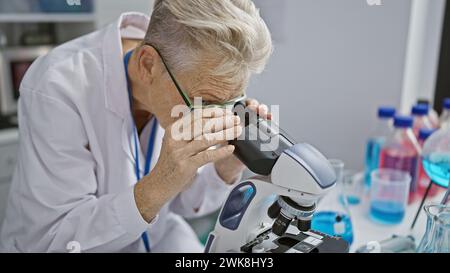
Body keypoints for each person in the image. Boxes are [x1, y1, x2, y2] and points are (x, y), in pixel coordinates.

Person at [0, 0, 272, 252]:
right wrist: (159, 183)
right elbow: (58, 238)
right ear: (147, 65)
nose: (214, 118)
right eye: (206, 102)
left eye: (230, 102)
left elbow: (182, 204)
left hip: (159, 238)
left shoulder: (184, 74)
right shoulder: (57, 86)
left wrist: (225, 169)